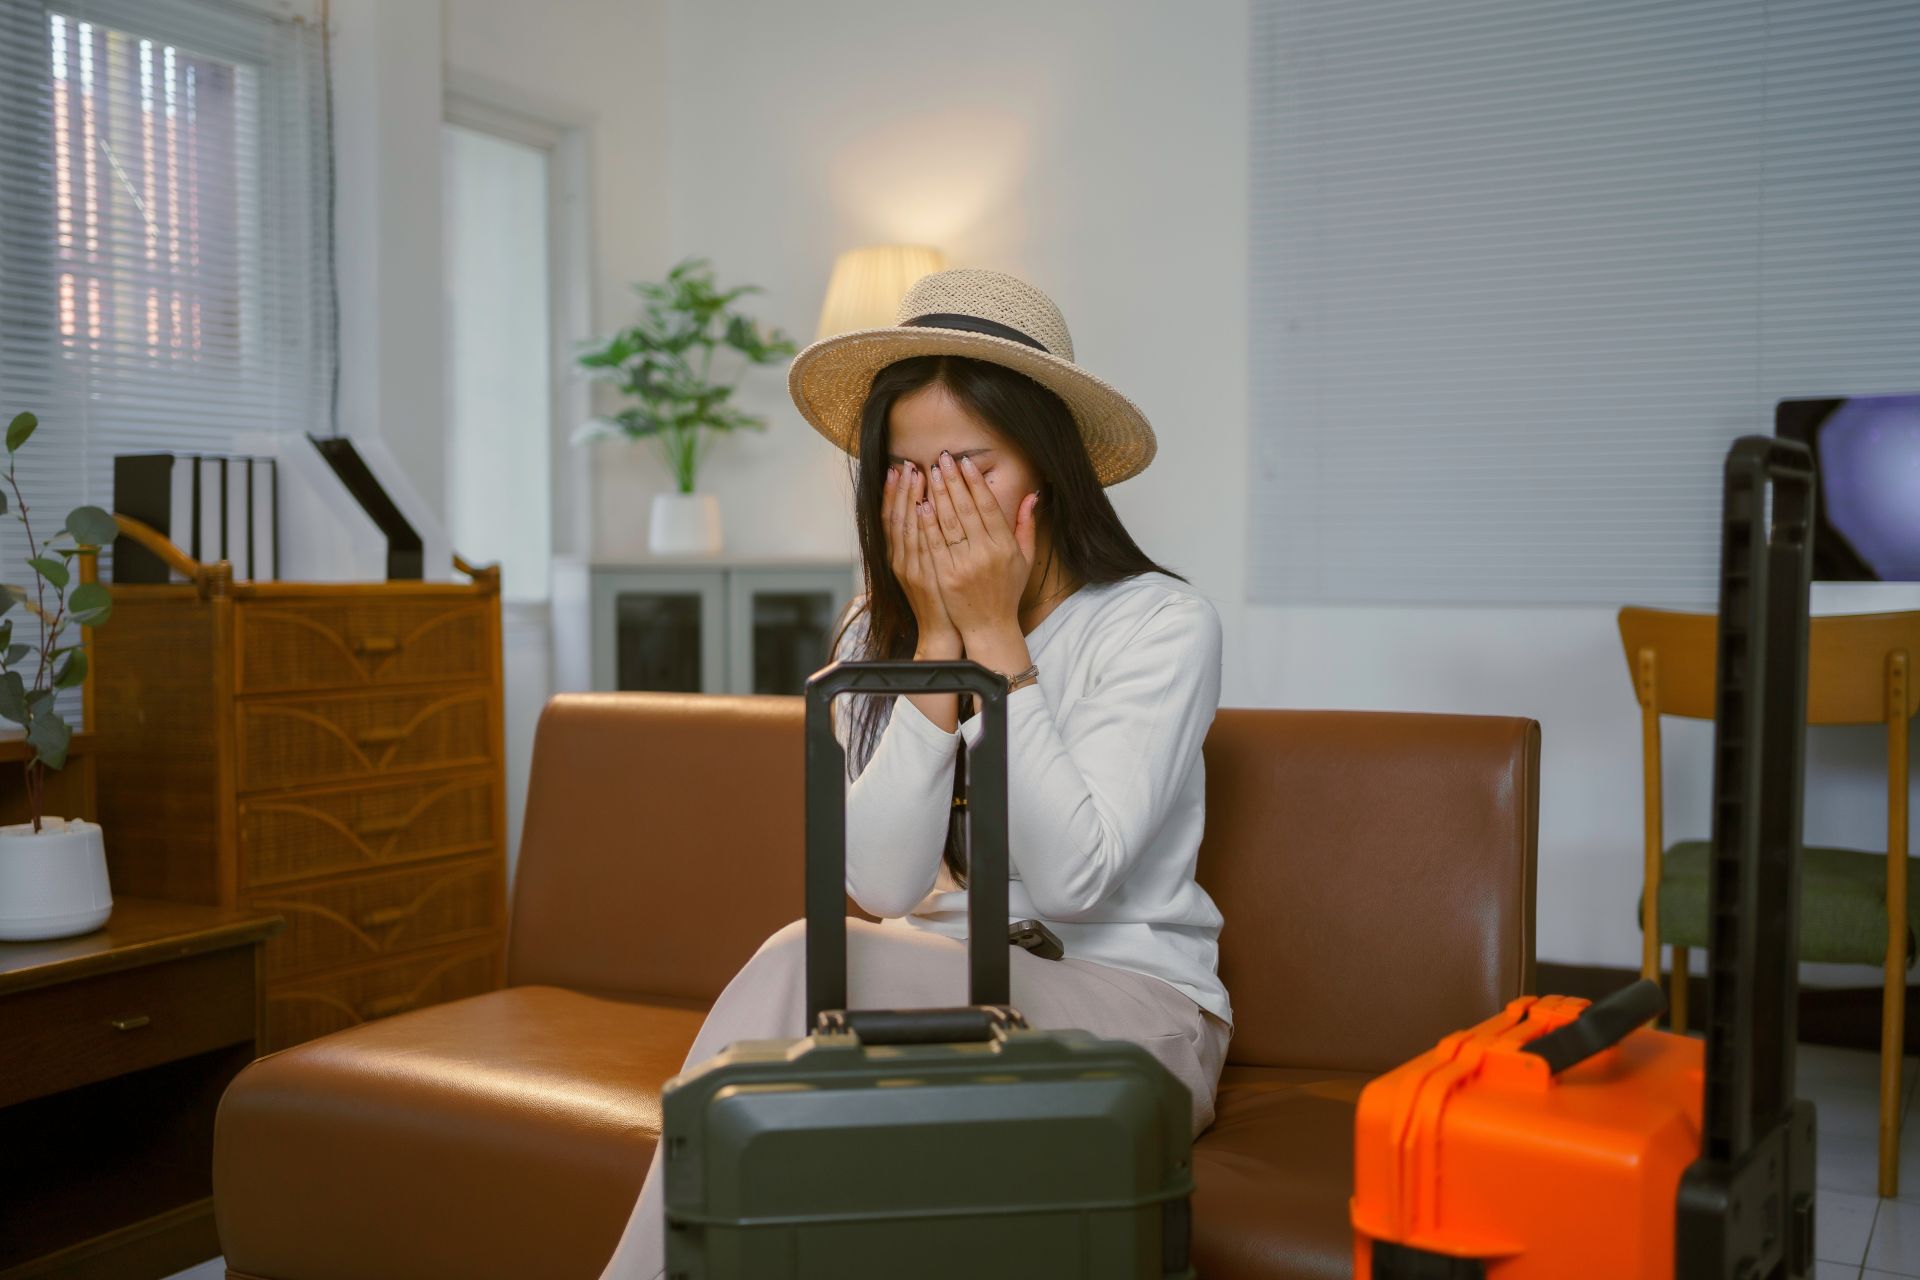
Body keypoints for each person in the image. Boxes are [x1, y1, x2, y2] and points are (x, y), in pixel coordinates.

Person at [596, 268, 1231, 1279]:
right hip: (932, 999)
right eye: (908, 471)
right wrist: (936, 642)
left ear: (1049, 466)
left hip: (1128, 1011)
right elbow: (887, 887)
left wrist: (995, 638)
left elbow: (1074, 881)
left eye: (972, 465)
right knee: (813, 1086)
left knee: (803, 965)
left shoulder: (1157, 622)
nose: (940, 501)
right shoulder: (876, 633)